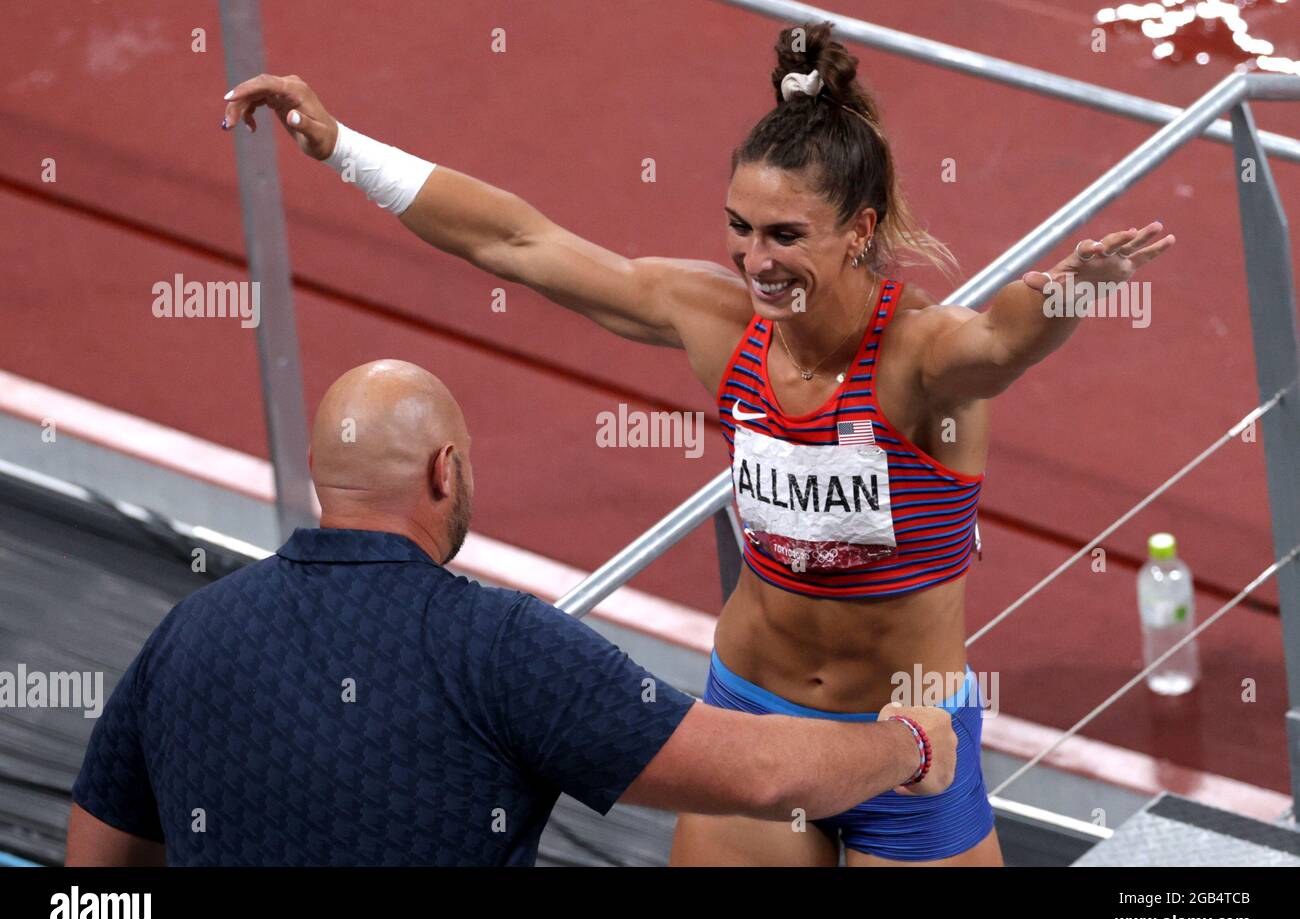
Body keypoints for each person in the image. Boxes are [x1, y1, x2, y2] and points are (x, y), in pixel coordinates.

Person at [215, 20, 1172, 866]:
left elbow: (1003, 338)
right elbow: (517, 244)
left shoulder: (921, 359)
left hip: (908, 735)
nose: (757, 260)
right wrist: (344, 149)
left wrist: (1072, 291)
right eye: (739, 229)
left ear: (860, 230)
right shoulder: (718, 322)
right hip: (753, 719)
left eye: (787, 234)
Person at [65, 359, 955, 867]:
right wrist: (909, 747)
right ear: (444, 471)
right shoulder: (501, 649)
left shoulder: (188, 634)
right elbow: (756, 775)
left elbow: (96, 880)